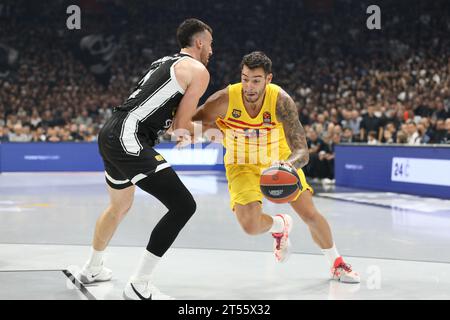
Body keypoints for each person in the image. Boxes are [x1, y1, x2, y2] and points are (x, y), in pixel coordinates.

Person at [192, 51, 359, 283]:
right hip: (241, 163)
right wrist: (210, 133)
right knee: (250, 226)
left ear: (268, 79)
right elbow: (190, 123)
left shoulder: (280, 100)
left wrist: (287, 165)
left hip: (277, 158)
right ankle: (280, 225)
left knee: (309, 213)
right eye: (245, 78)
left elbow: (302, 149)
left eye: (256, 80)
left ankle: (337, 263)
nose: (249, 86)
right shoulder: (224, 99)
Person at [78, 18, 213, 300]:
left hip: (112, 132)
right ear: (199, 42)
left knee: (119, 206)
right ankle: (140, 284)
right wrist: (218, 132)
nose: (212, 50)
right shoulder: (198, 70)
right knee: (183, 205)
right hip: (129, 137)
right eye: (210, 43)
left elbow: (173, 122)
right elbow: (181, 126)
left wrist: (186, 131)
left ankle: (92, 268)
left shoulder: (164, 61)